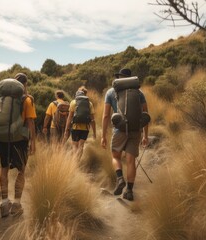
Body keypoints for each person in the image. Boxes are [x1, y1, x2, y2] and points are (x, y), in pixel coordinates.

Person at [101, 68, 149, 201]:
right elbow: (145, 114)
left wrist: (103, 135)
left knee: (115, 156)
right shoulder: (139, 92)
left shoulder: (111, 92)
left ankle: (120, 178)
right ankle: (129, 191)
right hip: (135, 129)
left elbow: (105, 116)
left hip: (119, 129)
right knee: (130, 160)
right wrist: (145, 135)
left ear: (119, 78)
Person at [0, 73, 36, 217]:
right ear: (24, 85)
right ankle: (17, 204)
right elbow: (30, 122)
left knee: (4, 169)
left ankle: (4, 204)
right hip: (20, 140)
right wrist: (33, 142)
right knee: (21, 171)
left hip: (3, 139)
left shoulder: (0, 99)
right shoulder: (27, 100)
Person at [64, 86, 96, 160]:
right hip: (85, 128)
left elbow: (70, 117)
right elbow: (93, 120)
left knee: (75, 146)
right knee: (81, 146)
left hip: (75, 127)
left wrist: (66, 129)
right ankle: (78, 161)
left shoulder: (73, 102)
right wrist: (94, 132)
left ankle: (74, 162)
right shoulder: (89, 103)